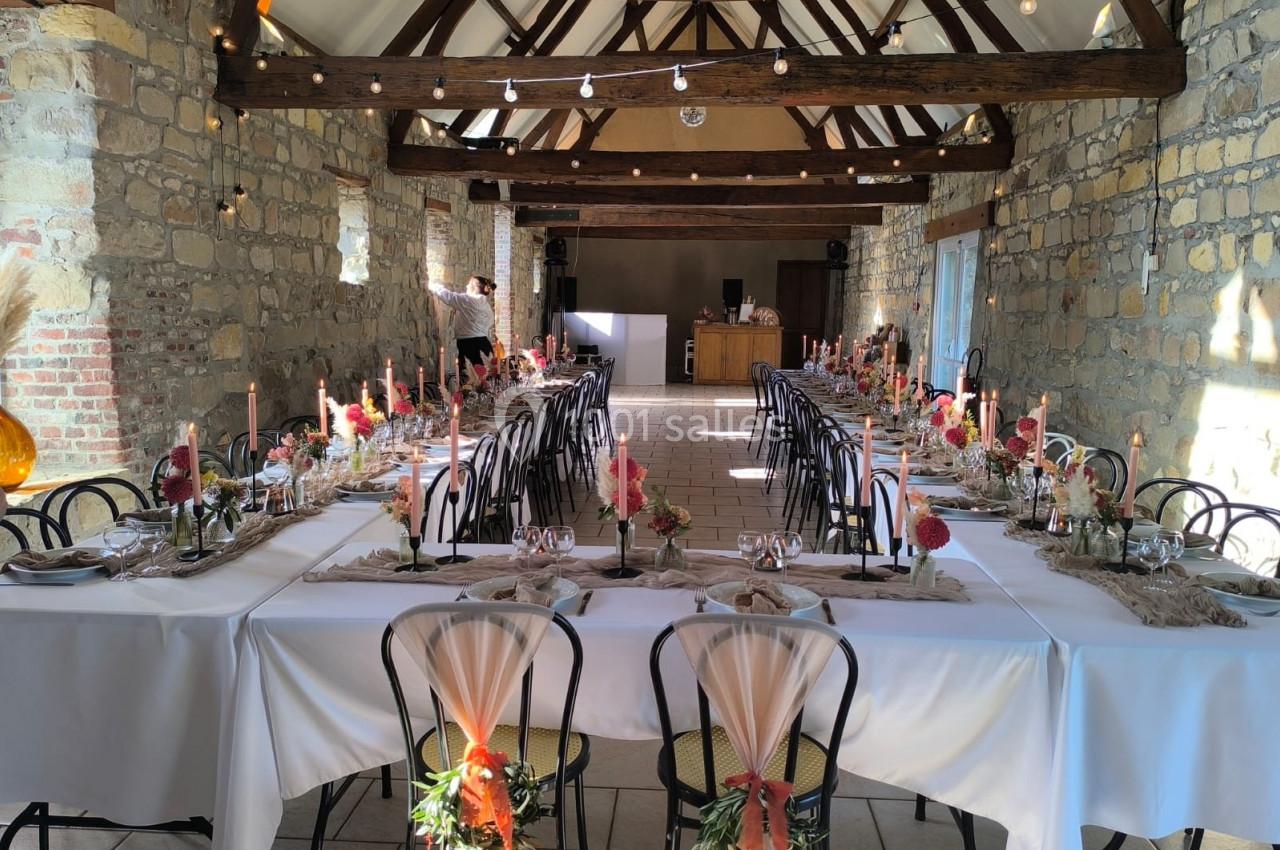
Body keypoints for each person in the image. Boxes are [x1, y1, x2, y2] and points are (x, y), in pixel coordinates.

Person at [428, 275, 495, 368]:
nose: (467, 286)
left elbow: (448, 297)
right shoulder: (486, 305)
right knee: (488, 377)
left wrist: (431, 284)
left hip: (469, 345)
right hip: (484, 343)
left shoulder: (468, 300)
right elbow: (491, 322)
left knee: (470, 378)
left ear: (475, 288)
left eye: (469, 284)